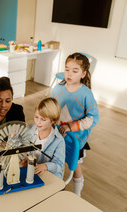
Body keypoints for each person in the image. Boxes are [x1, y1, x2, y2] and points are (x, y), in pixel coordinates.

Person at [51, 52, 100, 196]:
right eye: (67, 69)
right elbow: (52, 108)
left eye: (75, 71)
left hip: (76, 138)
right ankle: (54, 189)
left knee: (75, 165)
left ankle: (77, 194)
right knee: (56, 160)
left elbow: (93, 119)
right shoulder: (58, 88)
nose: (69, 74)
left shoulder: (86, 94)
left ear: (83, 74)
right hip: (57, 134)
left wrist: (71, 126)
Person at [27, 97, 65, 178]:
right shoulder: (29, 129)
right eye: (36, 117)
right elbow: (19, 144)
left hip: (48, 175)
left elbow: (59, 165)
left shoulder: (59, 141)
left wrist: (45, 166)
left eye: (43, 119)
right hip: (30, 170)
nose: (38, 122)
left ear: (53, 121)